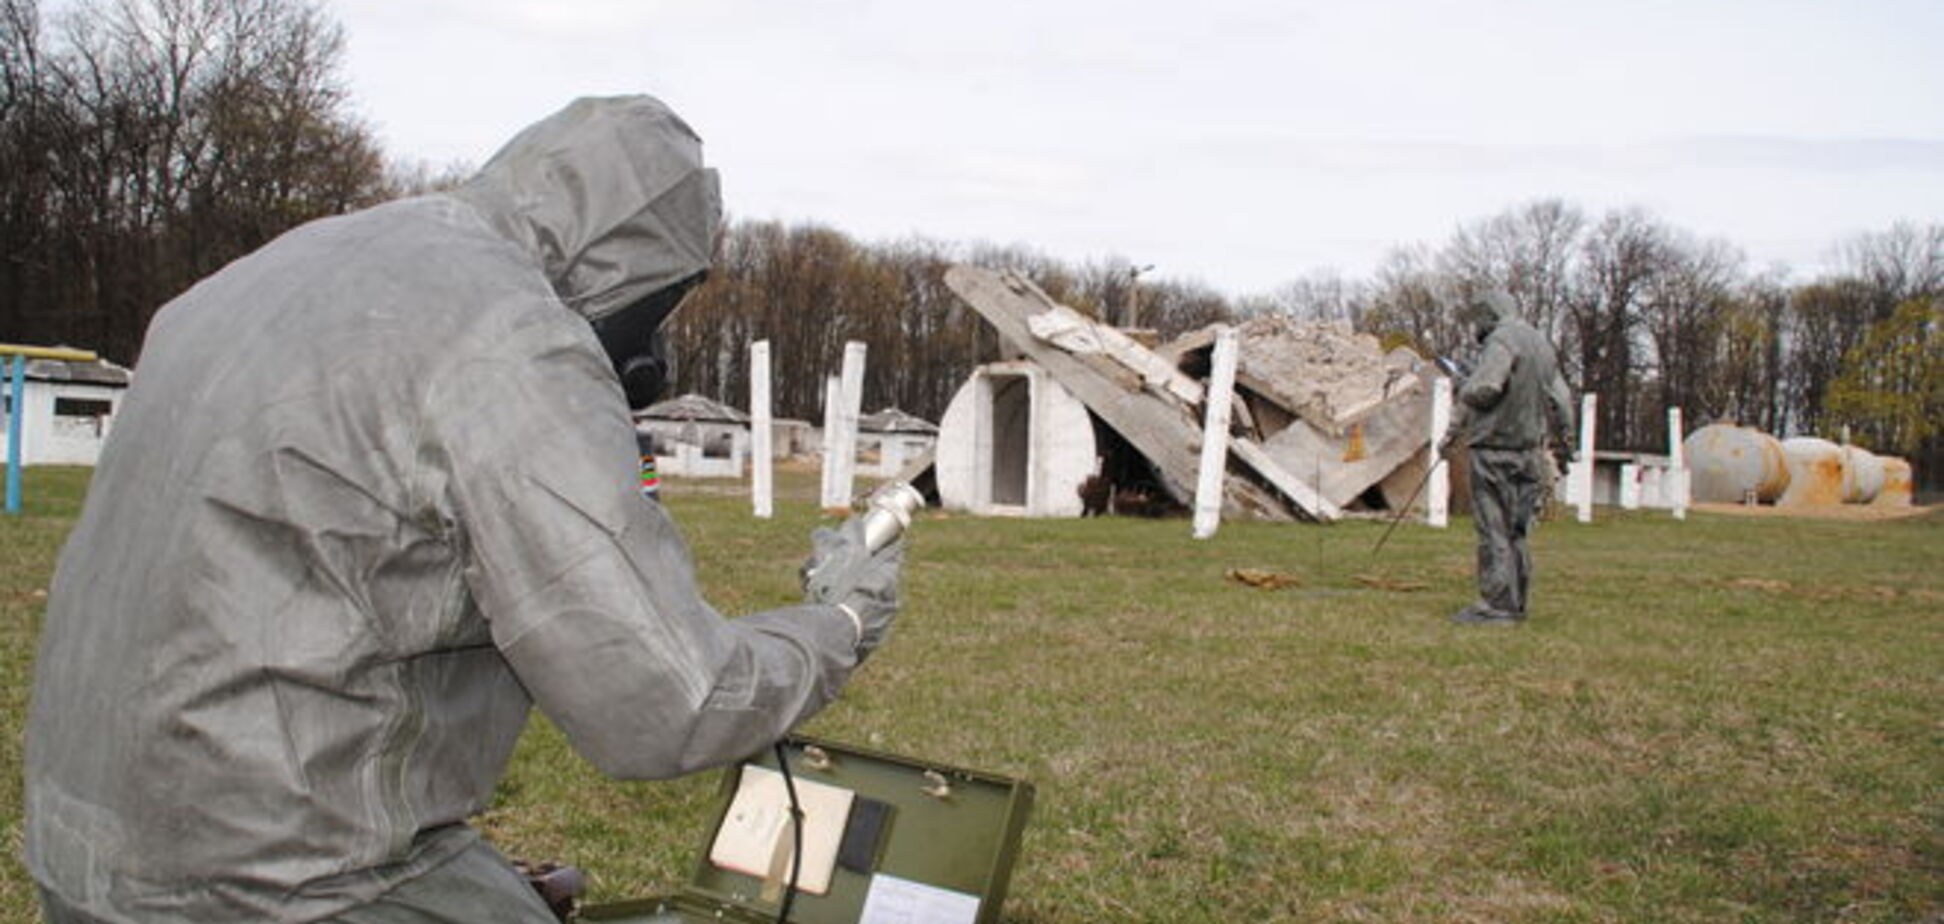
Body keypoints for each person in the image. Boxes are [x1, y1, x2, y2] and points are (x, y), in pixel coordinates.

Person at [24, 95, 901, 924]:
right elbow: (673, 701)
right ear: (634, 263)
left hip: (84, 857)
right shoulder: (513, 338)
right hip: (287, 884)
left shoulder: (266, 272)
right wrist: (842, 622)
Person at [1444, 289, 1574, 626]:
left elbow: (1486, 387)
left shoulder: (1501, 340)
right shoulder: (1541, 344)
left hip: (1494, 451)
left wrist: (1465, 387)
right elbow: (1562, 400)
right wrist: (1568, 442)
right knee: (1518, 532)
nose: (1476, 328)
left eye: (1477, 320)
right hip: (1529, 453)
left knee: (1494, 530)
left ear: (1489, 314)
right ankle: (1517, 602)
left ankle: (1497, 605)